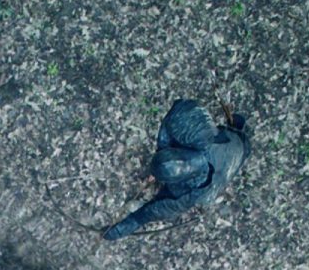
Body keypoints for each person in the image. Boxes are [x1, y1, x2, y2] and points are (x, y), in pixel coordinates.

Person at [103, 99, 250, 240]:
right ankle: (237, 128)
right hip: (231, 146)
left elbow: (145, 215)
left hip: (233, 156)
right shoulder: (197, 133)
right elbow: (180, 107)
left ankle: (237, 130)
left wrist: (114, 233)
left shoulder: (189, 195)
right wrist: (162, 148)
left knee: (173, 198)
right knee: (233, 133)